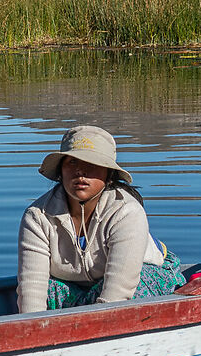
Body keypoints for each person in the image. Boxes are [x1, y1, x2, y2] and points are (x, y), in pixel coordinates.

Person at [15, 126, 184, 311]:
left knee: (140, 282)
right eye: (72, 162)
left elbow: (118, 294)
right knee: (46, 289)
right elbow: (32, 289)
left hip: (142, 278)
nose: (80, 171)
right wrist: (32, 330)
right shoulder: (37, 217)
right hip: (79, 288)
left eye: (92, 163)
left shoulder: (127, 212)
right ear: (60, 170)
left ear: (109, 174)